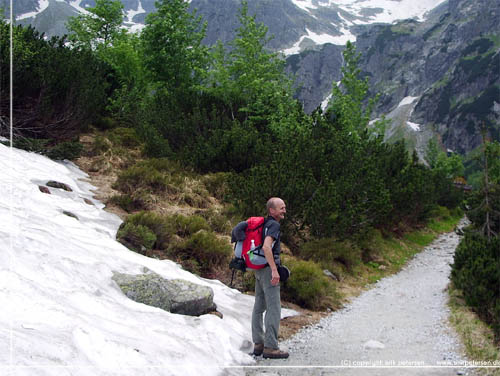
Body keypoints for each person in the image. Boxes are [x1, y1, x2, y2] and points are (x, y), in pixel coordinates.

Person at [251, 197, 289, 359]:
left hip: (258, 269)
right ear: (272, 210)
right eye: (281, 208)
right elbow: (267, 246)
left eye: (284, 207)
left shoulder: (263, 224)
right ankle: (271, 347)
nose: (284, 211)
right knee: (274, 307)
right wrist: (274, 270)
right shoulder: (273, 225)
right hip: (267, 270)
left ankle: (258, 344)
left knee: (259, 306)